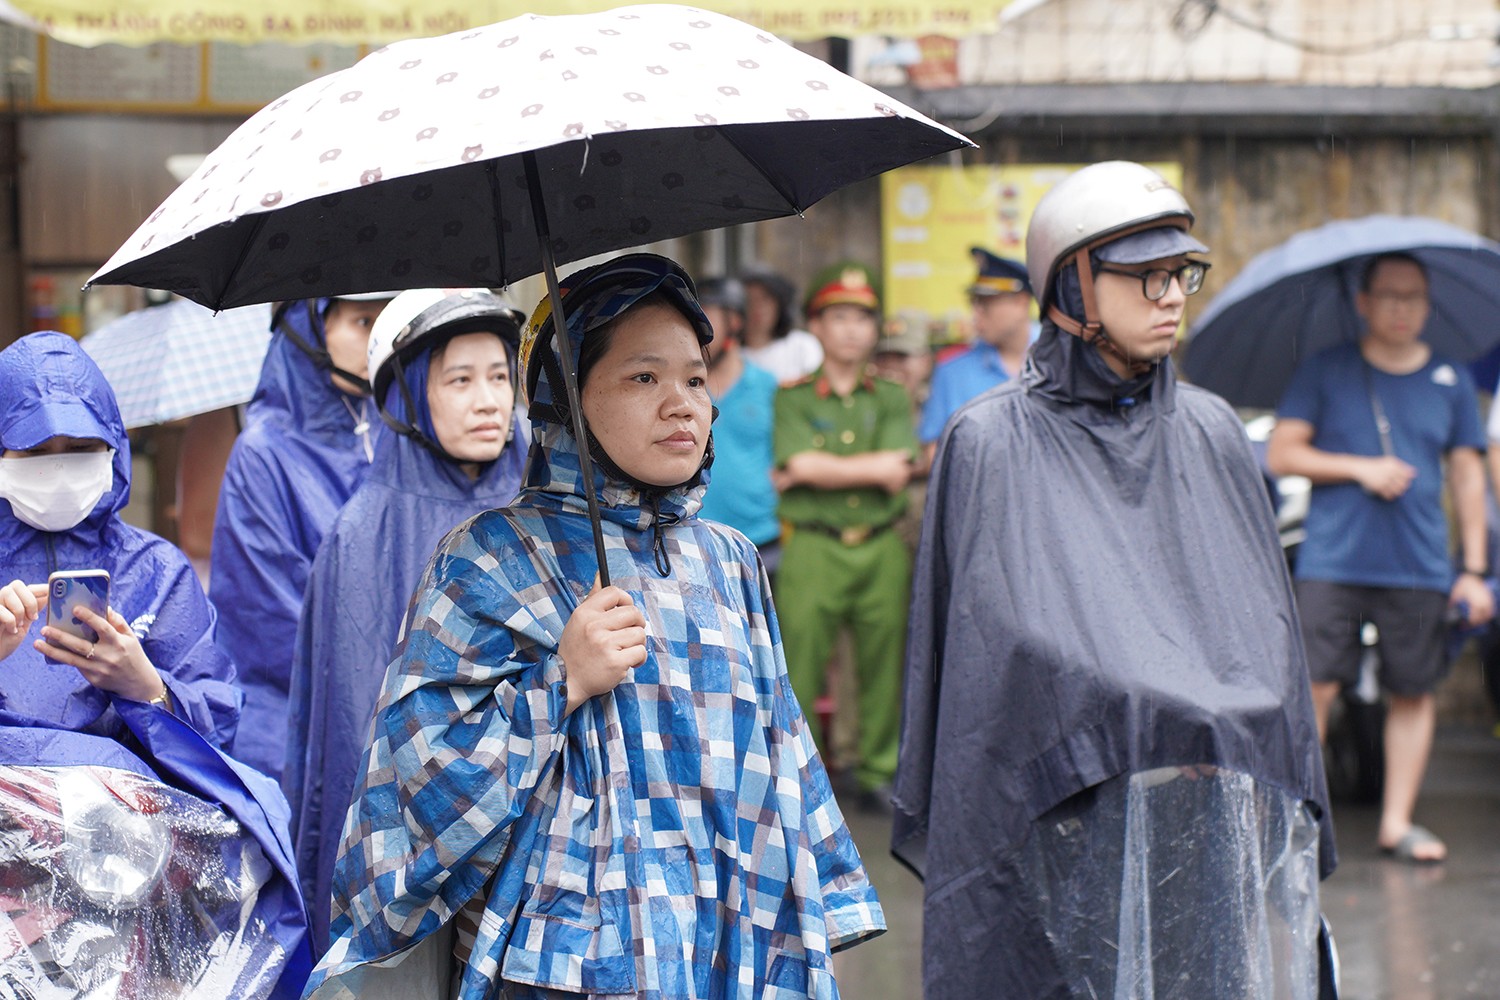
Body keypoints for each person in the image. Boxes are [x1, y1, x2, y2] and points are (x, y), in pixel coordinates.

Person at [304, 254, 883, 1000]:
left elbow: (781, 749)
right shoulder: (488, 559)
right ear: (563, 399)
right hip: (568, 967)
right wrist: (561, 682)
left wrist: (812, 915)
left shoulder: (730, 560)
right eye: (644, 378)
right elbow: (415, 782)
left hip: (726, 943)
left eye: (696, 379)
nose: (681, 404)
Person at [895, 162, 1335, 998]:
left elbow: (1263, 625)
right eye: (1143, 276)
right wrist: (1142, 701)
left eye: (1180, 274)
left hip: (1205, 805)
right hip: (1055, 809)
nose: (1171, 295)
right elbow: (996, 653)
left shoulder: (1209, 429)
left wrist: (1214, 712)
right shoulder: (989, 440)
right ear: (1071, 287)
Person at [0, 331, 310, 994]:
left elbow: (218, 730)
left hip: (136, 883)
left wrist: (146, 689)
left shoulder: (156, 574)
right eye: (34, 451)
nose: (57, 467)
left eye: (78, 449)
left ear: (112, 450)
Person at [283, 288, 529, 952]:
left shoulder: (547, 501)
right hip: (418, 857)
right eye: (460, 379)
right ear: (409, 395)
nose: (489, 399)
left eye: (501, 375)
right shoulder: (364, 534)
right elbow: (356, 736)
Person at [1268, 251, 1492, 864]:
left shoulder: (1449, 379)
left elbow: (1469, 478)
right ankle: (1299, 819)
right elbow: (1282, 453)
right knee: (1313, 686)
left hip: (1419, 564)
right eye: (1389, 295)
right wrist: (1360, 468)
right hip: (1334, 561)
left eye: (1413, 296)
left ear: (1427, 304)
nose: (1402, 307)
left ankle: (1396, 822)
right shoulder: (1325, 370)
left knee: (1414, 691)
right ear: (1363, 302)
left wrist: (1473, 570)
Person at [210, 292, 395, 780]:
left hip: (397, 706)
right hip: (293, 719)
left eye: (386, 319)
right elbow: (270, 615)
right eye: (361, 321)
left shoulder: (402, 428)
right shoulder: (262, 453)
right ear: (311, 332)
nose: (379, 338)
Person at [773, 262, 917, 809]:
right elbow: (794, 462)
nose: (853, 329)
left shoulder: (891, 396)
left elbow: (897, 470)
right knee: (801, 665)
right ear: (816, 325)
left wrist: (817, 466)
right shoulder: (794, 396)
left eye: (863, 317)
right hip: (813, 543)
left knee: (884, 664)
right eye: (839, 316)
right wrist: (867, 466)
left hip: (881, 544)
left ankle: (878, 771)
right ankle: (801, 775)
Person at [917, 247, 1033, 466]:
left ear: (1020, 303)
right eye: (974, 303)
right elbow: (934, 450)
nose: (975, 314)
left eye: (986, 303)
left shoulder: (1062, 360)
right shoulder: (952, 370)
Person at [696, 276, 782, 570]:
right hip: (696, 541)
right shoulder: (679, 391)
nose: (695, 328)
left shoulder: (769, 387)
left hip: (762, 544)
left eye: (705, 316)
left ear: (734, 321)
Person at [740, 266, 823, 383]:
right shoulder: (731, 356)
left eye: (765, 298)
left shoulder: (802, 345)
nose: (757, 307)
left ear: (779, 304)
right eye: (749, 300)